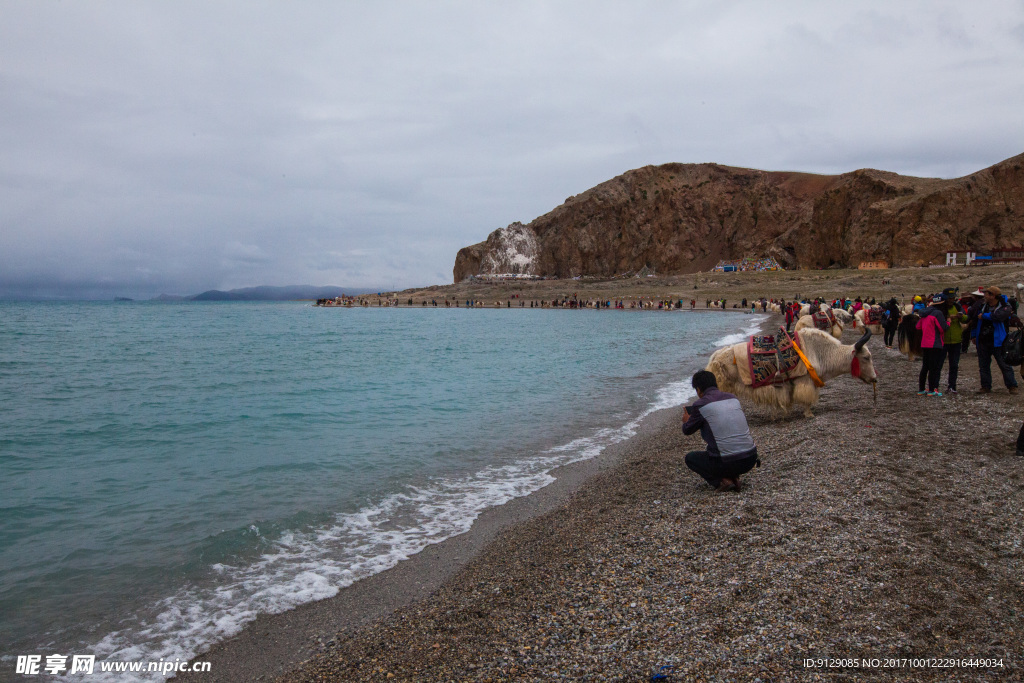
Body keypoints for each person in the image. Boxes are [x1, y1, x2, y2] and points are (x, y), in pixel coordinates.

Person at [681, 370, 760, 492]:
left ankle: (722, 481)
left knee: (691, 458)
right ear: (715, 384)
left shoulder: (700, 405)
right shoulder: (733, 398)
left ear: (698, 389)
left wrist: (687, 420)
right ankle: (733, 477)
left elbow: (687, 430)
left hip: (728, 462)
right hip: (750, 459)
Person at [969, 286, 1019, 394]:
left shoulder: (1005, 306)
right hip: (983, 340)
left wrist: (984, 316)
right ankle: (986, 386)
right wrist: (973, 335)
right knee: (983, 365)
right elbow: (975, 320)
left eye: (986, 294)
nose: (984, 296)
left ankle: (1012, 386)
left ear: (993, 295)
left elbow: (999, 316)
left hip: (999, 341)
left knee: (1004, 364)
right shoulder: (982, 305)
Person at [935, 291, 968, 393]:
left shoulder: (957, 307)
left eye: (953, 298)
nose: (951, 300)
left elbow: (965, 319)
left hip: (956, 340)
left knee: (954, 365)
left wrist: (961, 316)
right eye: (949, 298)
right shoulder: (939, 308)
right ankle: (935, 386)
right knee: (938, 364)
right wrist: (948, 319)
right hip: (942, 341)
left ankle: (952, 386)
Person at [915, 295, 949, 396]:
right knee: (934, 367)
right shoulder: (938, 313)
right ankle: (932, 390)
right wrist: (948, 322)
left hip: (925, 343)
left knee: (925, 367)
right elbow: (943, 328)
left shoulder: (924, 313)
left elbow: (918, 326)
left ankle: (921, 389)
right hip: (935, 343)